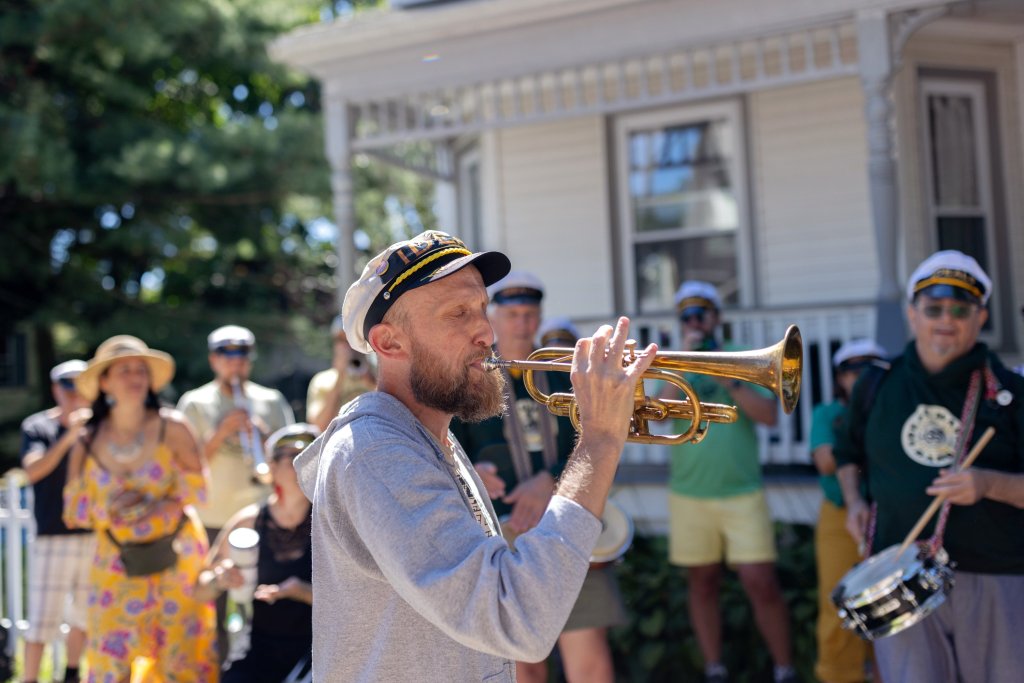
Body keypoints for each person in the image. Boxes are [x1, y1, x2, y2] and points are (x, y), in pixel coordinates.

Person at [293, 229, 655, 682]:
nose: (486, 332)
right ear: (389, 344)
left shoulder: (432, 440)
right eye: (458, 313)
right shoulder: (374, 452)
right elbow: (515, 619)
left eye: (483, 308)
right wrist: (599, 439)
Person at [835, 250, 1024, 683]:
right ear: (912, 314)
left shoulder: (1010, 392)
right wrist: (852, 501)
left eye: (960, 309)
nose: (946, 319)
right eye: (933, 307)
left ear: (981, 318)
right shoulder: (876, 384)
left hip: (994, 574)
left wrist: (988, 484)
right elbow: (847, 454)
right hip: (898, 576)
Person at [451, 272, 626, 683]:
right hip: (499, 531)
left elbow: (599, 439)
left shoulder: (564, 371)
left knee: (590, 658)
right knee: (520, 663)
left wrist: (549, 479)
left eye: (530, 314)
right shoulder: (469, 376)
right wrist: (473, 473)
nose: (522, 323)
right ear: (493, 316)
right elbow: (444, 448)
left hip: (568, 524)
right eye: (512, 314)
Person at [661, 281, 796, 683]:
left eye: (702, 313)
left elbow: (769, 416)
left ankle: (784, 669)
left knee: (762, 582)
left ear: (717, 317)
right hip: (690, 493)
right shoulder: (675, 357)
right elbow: (662, 414)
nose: (696, 321)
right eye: (688, 315)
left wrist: (724, 373)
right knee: (701, 583)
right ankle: (714, 669)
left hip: (741, 492)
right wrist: (684, 360)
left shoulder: (743, 357)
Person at [63, 335, 217, 681]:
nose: (135, 377)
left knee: (180, 662)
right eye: (124, 371)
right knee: (109, 659)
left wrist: (162, 506)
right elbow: (73, 510)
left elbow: (201, 491)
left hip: (176, 558)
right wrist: (111, 510)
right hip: (116, 564)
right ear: (104, 382)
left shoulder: (172, 426)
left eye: (140, 370)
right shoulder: (86, 441)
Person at [176, 324, 294, 662]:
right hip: (211, 521)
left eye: (242, 354)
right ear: (214, 360)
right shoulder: (195, 403)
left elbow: (290, 458)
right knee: (213, 613)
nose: (235, 363)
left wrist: (263, 435)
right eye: (227, 355)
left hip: (261, 519)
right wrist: (222, 431)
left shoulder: (270, 400)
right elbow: (186, 466)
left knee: (264, 607)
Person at [199, 423, 316, 682]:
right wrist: (221, 578)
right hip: (255, 648)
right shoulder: (249, 521)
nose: (305, 464)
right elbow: (200, 589)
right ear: (272, 467)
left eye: (312, 456)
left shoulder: (329, 524)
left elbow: (353, 599)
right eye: (295, 457)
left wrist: (303, 592)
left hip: (315, 651)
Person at [810, 339, 886, 683]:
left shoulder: (893, 411)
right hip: (840, 517)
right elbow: (826, 460)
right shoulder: (829, 413)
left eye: (870, 368)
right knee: (838, 602)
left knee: (891, 605)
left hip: (890, 516)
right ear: (840, 379)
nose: (860, 376)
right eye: (851, 370)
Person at [19, 360, 95, 683]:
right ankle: (30, 678)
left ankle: (72, 674)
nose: (75, 395)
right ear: (55, 390)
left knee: (85, 616)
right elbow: (32, 471)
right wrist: (69, 436)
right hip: (53, 535)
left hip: (92, 535)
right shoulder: (39, 427)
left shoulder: (101, 427)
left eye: (81, 387)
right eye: (69, 387)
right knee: (42, 619)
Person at [306, 315, 375, 432]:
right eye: (342, 340)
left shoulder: (379, 376)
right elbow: (318, 428)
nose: (349, 346)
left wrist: (371, 380)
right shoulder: (322, 381)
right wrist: (339, 378)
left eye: (353, 340)